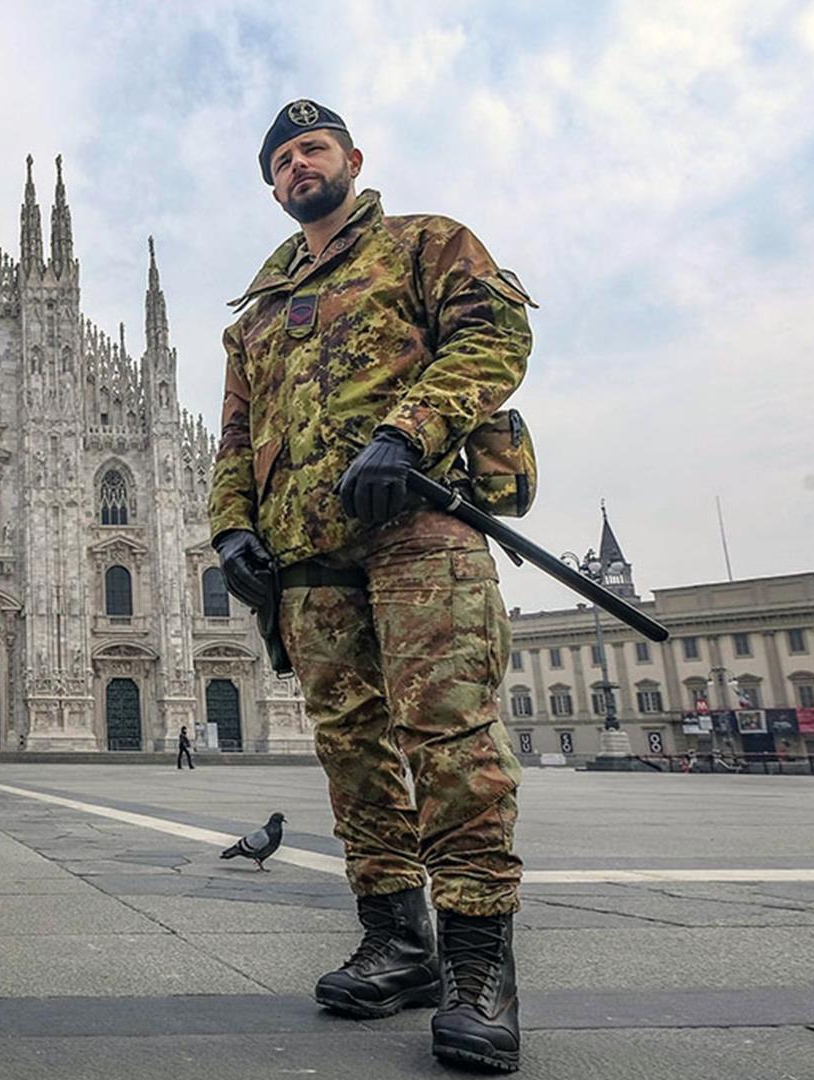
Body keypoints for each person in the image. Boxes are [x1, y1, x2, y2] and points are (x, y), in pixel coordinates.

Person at [209, 99, 534, 1072]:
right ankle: (398, 940)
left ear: (350, 157)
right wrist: (229, 526)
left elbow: (493, 341)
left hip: (417, 525)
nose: (298, 166)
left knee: (449, 733)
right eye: (281, 159)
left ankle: (480, 967)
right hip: (306, 557)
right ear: (270, 184)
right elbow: (233, 438)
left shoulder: (426, 244)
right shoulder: (255, 317)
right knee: (352, 752)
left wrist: (410, 431)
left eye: (312, 149)